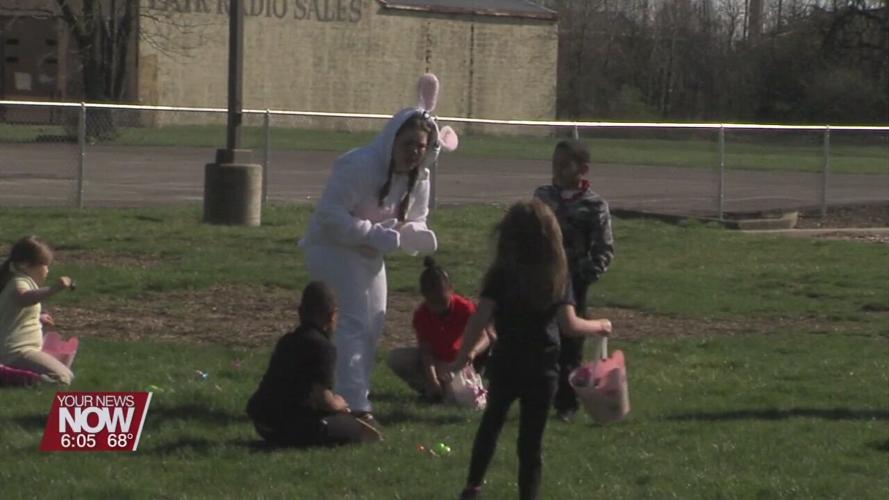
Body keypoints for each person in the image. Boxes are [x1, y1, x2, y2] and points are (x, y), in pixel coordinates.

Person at [300, 74, 458, 422]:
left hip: (369, 250)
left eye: (421, 147)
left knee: (375, 320)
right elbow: (329, 217)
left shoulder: (420, 178)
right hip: (331, 247)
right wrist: (372, 234)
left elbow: (415, 216)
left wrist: (416, 233)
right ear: (392, 140)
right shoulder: (359, 166)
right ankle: (354, 404)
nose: (414, 153)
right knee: (354, 319)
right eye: (408, 144)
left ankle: (351, 392)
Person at [453, 200, 612, 500]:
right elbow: (569, 325)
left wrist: (463, 357)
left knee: (491, 425)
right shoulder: (556, 274)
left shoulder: (501, 274)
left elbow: (480, 317)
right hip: (542, 367)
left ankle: (473, 486)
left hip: (506, 363)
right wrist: (599, 325)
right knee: (530, 443)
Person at [533, 139, 614, 422]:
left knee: (570, 343)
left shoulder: (594, 206)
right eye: (554, 164)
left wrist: (583, 276)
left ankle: (566, 404)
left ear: (583, 168)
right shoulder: (543, 197)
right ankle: (539, 395)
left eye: (564, 165)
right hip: (542, 281)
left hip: (574, 283)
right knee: (541, 340)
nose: (556, 170)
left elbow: (604, 249)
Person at [246, 281, 382, 447]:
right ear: (332, 315)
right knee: (357, 428)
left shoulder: (287, 341)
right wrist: (340, 403)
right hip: (288, 425)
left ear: (300, 312)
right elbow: (323, 399)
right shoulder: (324, 348)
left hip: (262, 421)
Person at [387, 257, 491, 402]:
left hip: (464, 362)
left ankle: (480, 386)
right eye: (433, 303)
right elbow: (426, 352)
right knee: (396, 359)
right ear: (424, 296)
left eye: (443, 302)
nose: (438, 308)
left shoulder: (465, 308)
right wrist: (433, 380)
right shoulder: (421, 315)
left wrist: (472, 352)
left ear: (451, 290)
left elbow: (485, 337)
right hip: (440, 364)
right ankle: (432, 390)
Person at [0, 236, 75, 384]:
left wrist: (39, 317)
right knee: (63, 378)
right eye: (45, 265)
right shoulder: (19, 282)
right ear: (25, 265)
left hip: (20, 350)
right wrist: (54, 289)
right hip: (17, 352)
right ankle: (8, 376)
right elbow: (24, 298)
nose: (47, 270)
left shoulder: (19, 281)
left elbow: (18, 310)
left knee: (64, 373)